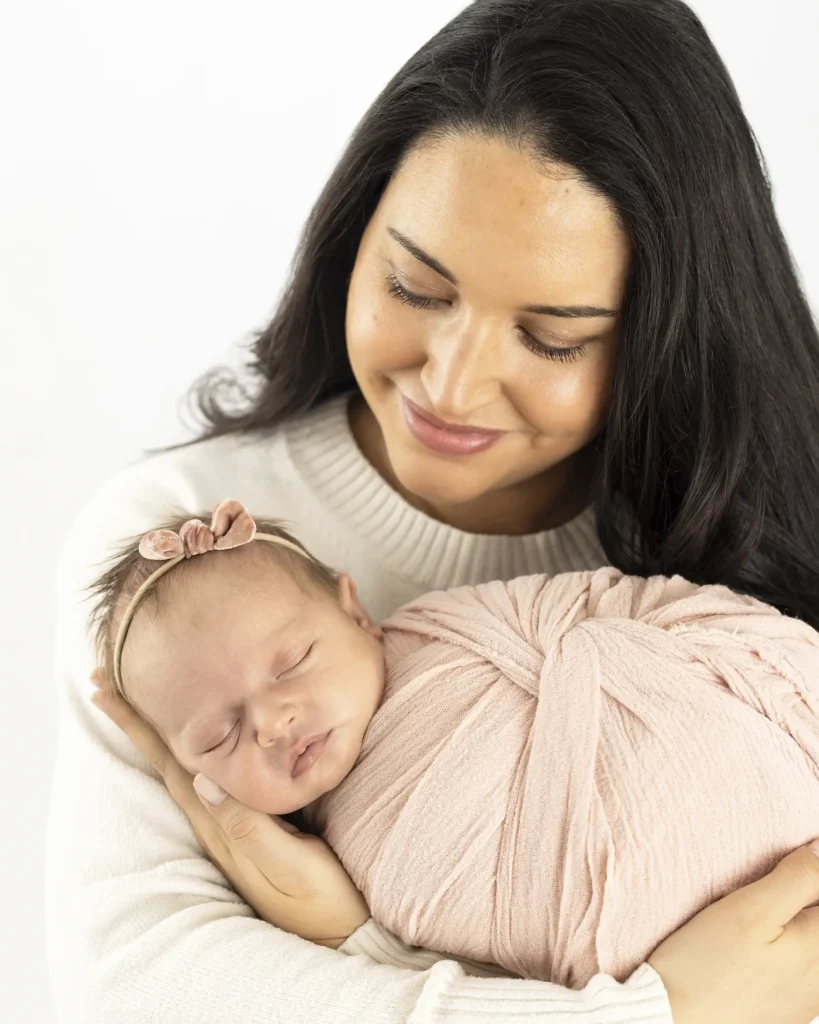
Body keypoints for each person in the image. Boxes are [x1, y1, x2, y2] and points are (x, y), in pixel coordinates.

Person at [46, 1, 819, 1022]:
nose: (451, 386)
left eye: (551, 338)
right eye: (415, 287)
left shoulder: (751, 551)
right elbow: (138, 983)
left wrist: (356, 950)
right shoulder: (179, 552)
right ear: (351, 242)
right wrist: (663, 1009)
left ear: (666, 337)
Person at [88, 499, 819, 990]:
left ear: (355, 610)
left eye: (293, 663)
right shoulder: (317, 870)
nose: (274, 723)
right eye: (220, 735)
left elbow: (604, 602)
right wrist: (360, 940)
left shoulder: (459, 625)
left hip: (724, 732)